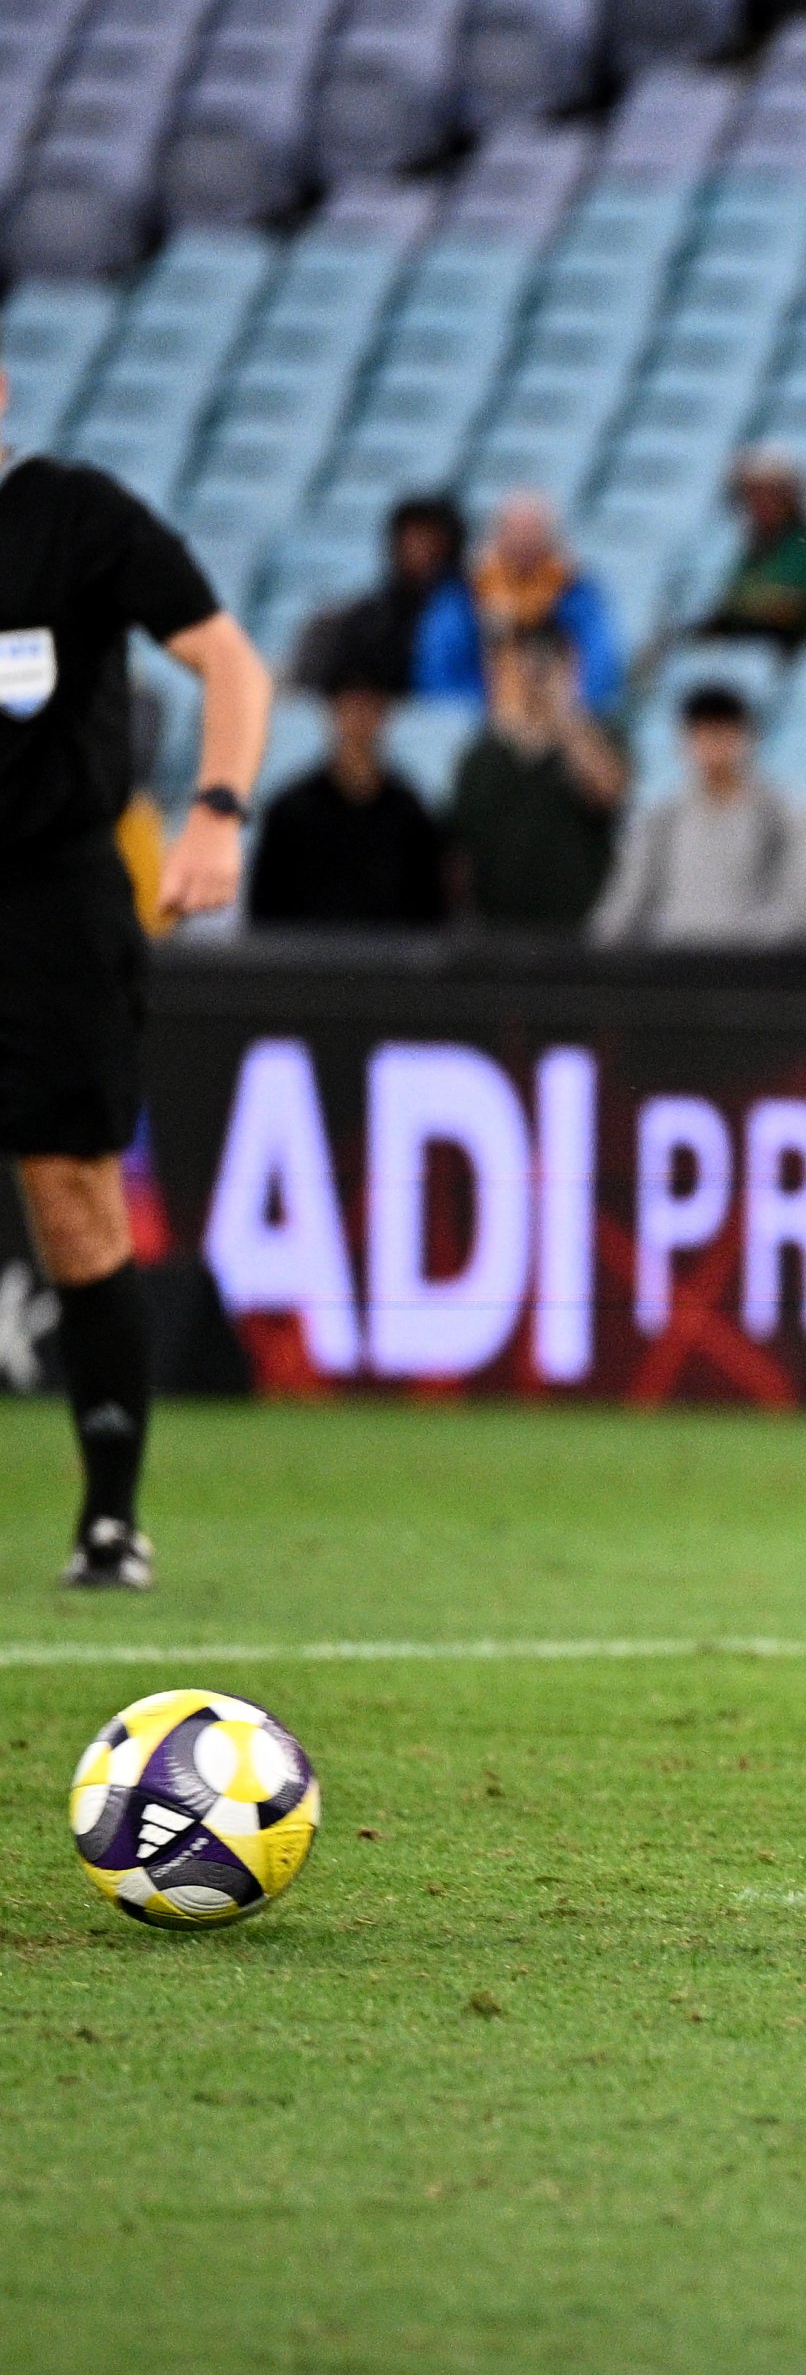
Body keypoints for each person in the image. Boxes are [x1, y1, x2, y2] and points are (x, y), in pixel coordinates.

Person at [0, 367, 272, 1589]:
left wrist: (216, 811)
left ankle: (111, 1517)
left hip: (51, 899)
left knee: (72, 1194)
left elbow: (230, 664)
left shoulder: (71, 515)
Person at [588, 685, 806, 952]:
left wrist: (749, 943)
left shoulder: (785, 817)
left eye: (724, 732)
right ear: (685, 740)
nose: (714, 745)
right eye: (704, 733)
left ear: (749, 738)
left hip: (757, 970)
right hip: (675, 969)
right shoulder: (661, 820)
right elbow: (626, 903)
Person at [444, 628, 621, 931]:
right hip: (496, 932)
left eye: (550, 660)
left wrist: (562, 710)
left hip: (576, 932)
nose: (534, 673)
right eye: (523, 662)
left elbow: (608, 791)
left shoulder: (597, 738)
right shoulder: (482, 755)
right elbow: (459, 849)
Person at [248, 672, 445, 929]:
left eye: (369, 706)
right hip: (306, 965)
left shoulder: (410, 814)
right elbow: (265, 913)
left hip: (392, 966)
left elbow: (430, 911)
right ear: (332, 712)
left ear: (384, 715)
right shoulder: (290, 811)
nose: (359, 718)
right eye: (350, 706)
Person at [451, 488, 621, 715]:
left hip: (559, 712)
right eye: (516, 531)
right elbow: (447, 662)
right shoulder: (468, 591)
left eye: (533, 532)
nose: (524, 540)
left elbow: (600, 660)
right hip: (484, 712)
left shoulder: (575, 590)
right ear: (499, 534)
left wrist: (572, 706)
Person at [293, 492, 465, 699]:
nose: (420, 551)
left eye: (430, 540)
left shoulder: (471, 616)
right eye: (412, 539)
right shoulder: (367, 621)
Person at [698, 449, 806, 646]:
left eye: (769, 494)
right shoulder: (753, 553)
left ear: (792, 497)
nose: (758, 503)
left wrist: (734, 613)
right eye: (750, 494)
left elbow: (787, 609)